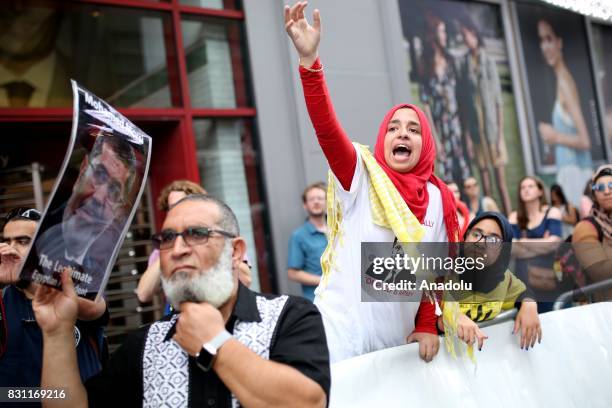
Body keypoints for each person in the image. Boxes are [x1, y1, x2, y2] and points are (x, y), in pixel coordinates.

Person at [285, 2, 460, 363]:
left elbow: (436, 273)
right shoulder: (362, 174)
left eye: (413, 130)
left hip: (398, 348)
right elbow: (329, 134)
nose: (402, 134)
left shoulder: (438, 198)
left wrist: (428, 323)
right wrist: (310, 64)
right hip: (338, 337)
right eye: (394, 127)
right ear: (382, 138)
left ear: (425, 145)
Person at [33, 194, 330, 407]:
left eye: (197, 234)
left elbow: (308, 403)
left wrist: (215, 343)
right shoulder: (145, 344)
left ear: (236, 252)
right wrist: (57, 333)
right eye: (166, 238)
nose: (177, 250)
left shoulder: (289, 316)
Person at [0, 207, 108, 392]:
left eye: (23, 241)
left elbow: (95, 308)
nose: (11, 249)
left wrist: (34, 276)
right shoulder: (3, 300)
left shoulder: (74, 286)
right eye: (7, 241)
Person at [29, 133, 137, 296]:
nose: (99, 197)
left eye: (114, 190)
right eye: (99, 174)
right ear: (82, 171)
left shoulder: (101, 267)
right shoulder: (33, 242)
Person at [447, 212, 541, 350]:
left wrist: (529, 305)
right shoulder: (443, 272)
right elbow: (424, 312)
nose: (481, 244)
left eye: (493, 240)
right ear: (465, 237)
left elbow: (523, 293)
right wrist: (450, 317)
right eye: (476, 234)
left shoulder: (504, 278)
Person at [457, 15, 512, 214]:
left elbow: (498, 101)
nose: (465, 39)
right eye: (463, 36)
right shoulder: (464, 65)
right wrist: (469, 138)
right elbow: (464, 104)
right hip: (476, 131)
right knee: (485, 185)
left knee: (501, 182)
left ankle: (509, 224)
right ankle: (492, 222)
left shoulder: (488, 61)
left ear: (475, 34)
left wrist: (498, 137)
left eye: (467, 35)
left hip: (492, 131)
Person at [537, 19, 592, 206]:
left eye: (549, 39)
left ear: (559, 42)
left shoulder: (565, 83)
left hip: (575, 175)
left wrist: (554, 136)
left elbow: (585, 141)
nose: (545, 46)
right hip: (570, 173)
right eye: (541, 41)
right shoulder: (561, 80)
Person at [419, 12, 471, 184]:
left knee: (466, 174)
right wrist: (435, 138)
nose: (444, 35)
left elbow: (461, 98)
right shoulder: (425, 65)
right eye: (441, 31)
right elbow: (425, 104)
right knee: (448, 178)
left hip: (458, 125)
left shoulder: (451, 62)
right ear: (433, 34)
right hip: (440, 127)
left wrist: (467, 134)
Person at [509, 176, 563, 313]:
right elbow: (512, 248)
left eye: (530, 186)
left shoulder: (552, 212)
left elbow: (554, 243)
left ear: (540, 191)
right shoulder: (514, 216)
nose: (526, 190)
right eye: (523, 187)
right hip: (523, 282)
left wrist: (523, 242)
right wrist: (542, 244)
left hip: (547, 278)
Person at [573, 164, 612, 299]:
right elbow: (599, 272)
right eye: (600, 187)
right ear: (594, 194)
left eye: (611, 185)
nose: (607, 191)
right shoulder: (586, 227)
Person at [287, 182, 328, 301]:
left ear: (327, 202)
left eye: (320, 198)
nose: (316, 202)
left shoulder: (338, 231)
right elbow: (292, 273)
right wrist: (324, 281)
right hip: (319, 300)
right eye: (311, 199)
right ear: (305, 205)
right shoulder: (298, 236)